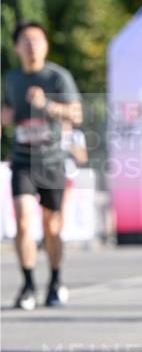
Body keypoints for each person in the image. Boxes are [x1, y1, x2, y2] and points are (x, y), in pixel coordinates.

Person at [1, 21, 82, 309]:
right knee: (23, 221)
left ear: (46, 45)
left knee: (52, 226)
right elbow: (8, 110)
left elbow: (76, 114)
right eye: (25, 40)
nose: (31, 45)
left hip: (51, 161)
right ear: (16, 47)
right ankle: (27, 285)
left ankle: (56, 281)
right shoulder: (10, 79)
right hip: (22, 160)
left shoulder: (58, 77)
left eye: (37, 40)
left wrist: (46, 104)